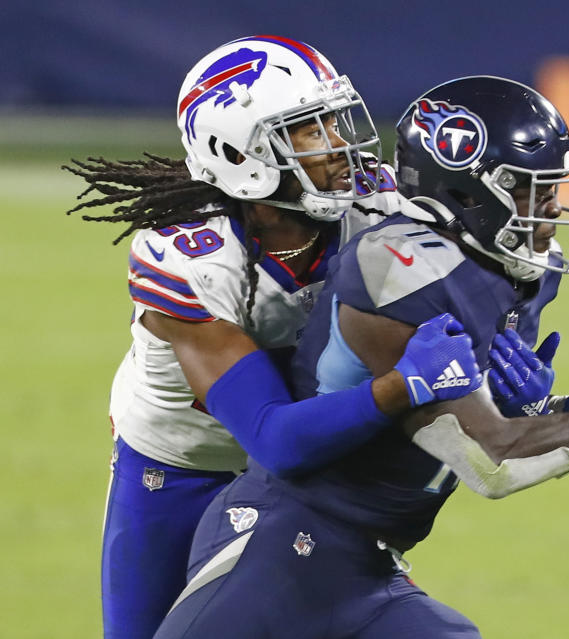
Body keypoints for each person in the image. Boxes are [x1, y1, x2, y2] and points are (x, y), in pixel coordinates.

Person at [154, 76, 569, 638]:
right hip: (278, 553)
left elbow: (463, 423)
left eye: (553, 189)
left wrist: (564, 407)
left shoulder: (514, 269)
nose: (551, 211)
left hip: (368, 569)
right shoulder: (401, 269)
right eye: (532, 189)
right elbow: (492, 462)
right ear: (468, 190)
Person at [66, 36, 489, 639]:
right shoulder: (193, 259)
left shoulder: (377, 204)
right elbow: (272, 435)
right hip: (184, 469)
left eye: (334, 120)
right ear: (241, 156)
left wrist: (504, 365)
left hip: (309, 479)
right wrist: (407, 383)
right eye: (310, 130)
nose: (341, 144)